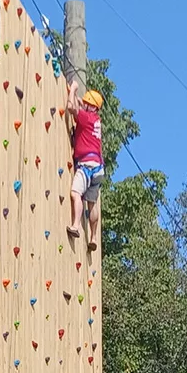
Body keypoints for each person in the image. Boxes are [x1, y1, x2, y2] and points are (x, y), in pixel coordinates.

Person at [65, 80, 105, 253]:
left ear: (93, 107)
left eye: (89, 105)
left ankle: (75, 226)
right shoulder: (95, 119)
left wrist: (73, 89)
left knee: (76, 194)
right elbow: (81, 105)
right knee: (92, 203)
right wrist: (78, 97)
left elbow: (71, 108)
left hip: (86, 165)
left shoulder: (86, 117)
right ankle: (94, 237)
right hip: (98, 168)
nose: (85, 105)